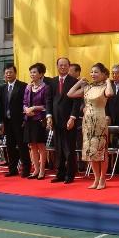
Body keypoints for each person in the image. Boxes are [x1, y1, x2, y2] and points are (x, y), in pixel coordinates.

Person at [67, 63, 114, 190]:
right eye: (91, 72)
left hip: (100, 121)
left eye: (96, 72)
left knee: (101, 151)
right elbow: (70, 94)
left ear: (103, 74)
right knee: (91, 151)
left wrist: (108, 81)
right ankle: (96, 178)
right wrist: (79, 82)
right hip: (87, 122)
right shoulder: (88, 87)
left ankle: (103, 179)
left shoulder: (105, 87)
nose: (93, 74)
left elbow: (110, 93)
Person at [47, 57, 82, 185]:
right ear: (57, 66)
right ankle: (60, 174)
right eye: (60, 65)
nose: (62, 67)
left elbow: (76, 102)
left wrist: (73, 117)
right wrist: (49, 116)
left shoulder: (74, 82)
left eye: (65, 65)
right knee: (58, 148)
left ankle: (70, 174)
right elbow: (49, 100)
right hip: (56, 120)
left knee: (69, 148)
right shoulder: (52, 81)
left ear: (69, 66)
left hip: (69, 120)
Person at [0, 64, 29, 178]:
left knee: (22, 146)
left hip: (19, 121)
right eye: (6, 72)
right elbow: (2, 105)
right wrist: (2, 122)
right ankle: (12, 169)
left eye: (10, 72)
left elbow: (26, 103)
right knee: (10, 146)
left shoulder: (23, 86)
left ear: (15, 73)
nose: (8, 74)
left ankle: (26, 169)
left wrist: (25, 119)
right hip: (7, 121)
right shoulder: (3, 88)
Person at [23, 63, 51, 180]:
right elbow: (24, 102)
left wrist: (34, 108)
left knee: (40, 145)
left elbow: (46, 105)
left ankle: (42, 170)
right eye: (31, 72)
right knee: (32, 145)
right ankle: (36, 169)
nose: (32, 74)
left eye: (34, 72)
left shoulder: (46, 88)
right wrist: (26, 110)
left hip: (39, 120)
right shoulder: (28, 87)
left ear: (41, 74)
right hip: (29, 119)